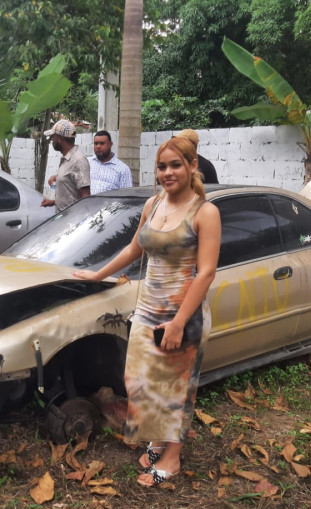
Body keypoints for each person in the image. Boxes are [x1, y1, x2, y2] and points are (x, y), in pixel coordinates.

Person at [74, 137, 221, 487]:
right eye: (162, 166)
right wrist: (97, 274)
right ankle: (156, 439)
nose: (168, 172)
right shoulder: (154, 205)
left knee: (176, 388)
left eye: (175, 165)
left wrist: (179, 322)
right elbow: (134, 248)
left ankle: (172, 455)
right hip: (147, 310)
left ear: (191, 167)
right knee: (139, 383)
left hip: (182, 316)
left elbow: (207, 273)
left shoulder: (205, 212)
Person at [41, 119, 90, 212]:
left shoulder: (78, 160)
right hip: (63, 221)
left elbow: (85, 197)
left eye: (53, 137)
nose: (52, 140)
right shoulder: (67, 159)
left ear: (60, 138)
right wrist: (53, 202)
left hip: (72, 222)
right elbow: (71, 193)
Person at [90, 130, 133, 194]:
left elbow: (126, 196)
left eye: (102, 143)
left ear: (110, 144)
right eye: (96, 143)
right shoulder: (88, 163)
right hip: (87, 203)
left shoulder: (122, 169)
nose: (98, 146)